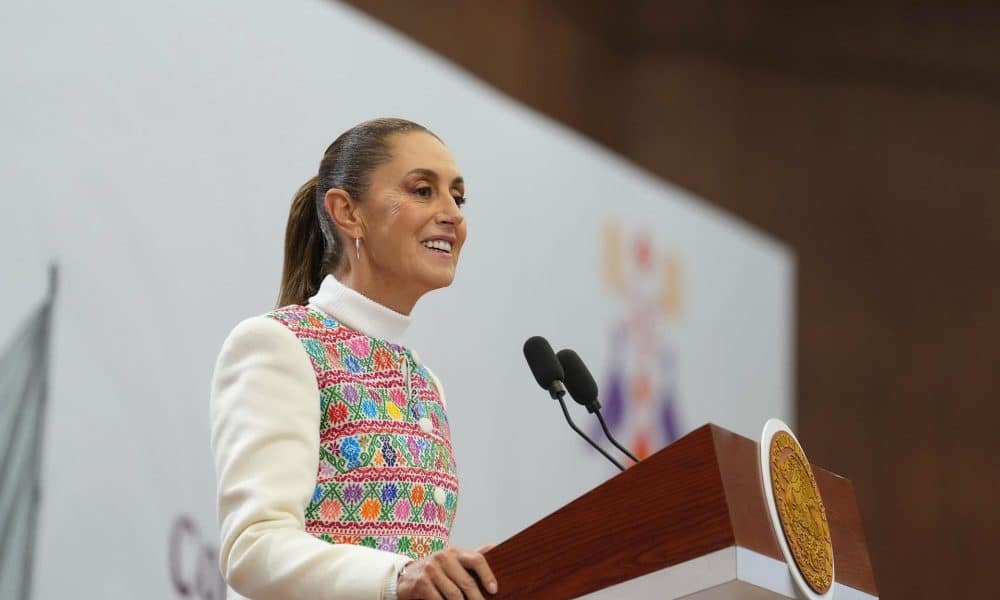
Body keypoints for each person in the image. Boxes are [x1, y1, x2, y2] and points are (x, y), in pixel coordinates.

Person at [210, 118, 497, 600]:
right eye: (424, 191)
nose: (452, 214)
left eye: (458, 197)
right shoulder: (279, 345)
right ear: (348, 213)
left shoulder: (425, 384)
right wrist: (397, 577)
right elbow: (252, 548)